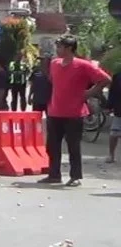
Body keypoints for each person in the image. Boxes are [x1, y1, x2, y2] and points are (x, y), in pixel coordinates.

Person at [39, 36, 109, 186]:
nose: (57, 50)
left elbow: (105, 79)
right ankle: (54, 175)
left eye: (60, 47)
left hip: (74, 113)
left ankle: (75, 176)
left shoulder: (83, 65)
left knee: (73, 146)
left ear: (69, 49)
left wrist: (89, 93)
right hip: (55, 111)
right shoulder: (54, 64)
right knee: (52, 146)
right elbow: (54, 81)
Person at [108, 68, 121, 163]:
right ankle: (111, 155)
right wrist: (109, 106)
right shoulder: (117, 76)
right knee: (114, 134)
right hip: (119, 109)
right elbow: (112, 92)